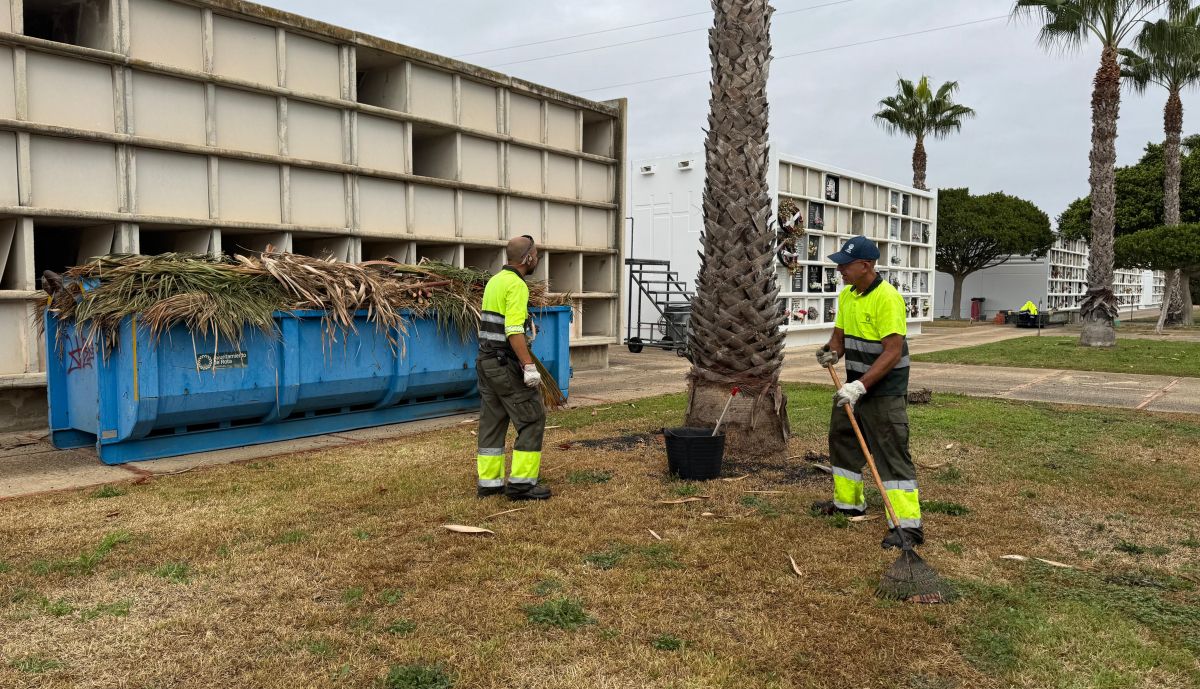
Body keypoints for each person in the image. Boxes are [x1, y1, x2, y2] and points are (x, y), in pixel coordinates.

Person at [812, 236, 922, 549]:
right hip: (852, 387)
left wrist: (861, 386)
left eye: (845, 265)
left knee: (890, 453)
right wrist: (830, 353)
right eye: (839, 265)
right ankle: (849, 505)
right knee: (843, 440)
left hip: (883, 389)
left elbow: (892, 351)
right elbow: (839, 339)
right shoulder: (848, 296)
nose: (841, 270)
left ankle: (908, 527)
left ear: (867, 265)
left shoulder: (887, 298)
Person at [474, 235, 550, 501]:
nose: (538, 259)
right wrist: (528, 365)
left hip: (486, 361)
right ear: (528, 258)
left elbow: (499, 324)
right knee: (532, 418)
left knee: (493, 422)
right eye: (536, 255)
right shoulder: (517, 286)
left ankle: (489, 484)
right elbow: (512, 329)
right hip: (504, 363)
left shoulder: (494, 281)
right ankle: (521, 485)